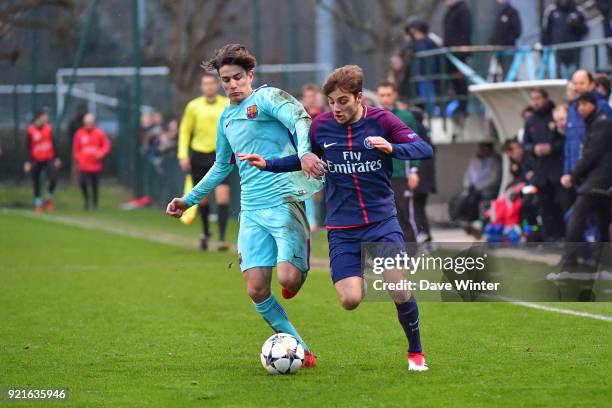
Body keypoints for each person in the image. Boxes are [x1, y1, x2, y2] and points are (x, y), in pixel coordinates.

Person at [240, 65, 434, 371]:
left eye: (342, 101)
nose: (336, 108)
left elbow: (424, 148)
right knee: (350, 300)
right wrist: (270, 164)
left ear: (358, 97)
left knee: (398, 287)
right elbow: (304, 157)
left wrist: (393, 148)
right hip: (343, 228)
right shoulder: (322, 126)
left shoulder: (382, 121)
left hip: (381, 221)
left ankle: (416, 352)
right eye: (331, 101)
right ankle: (360, 273)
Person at [166, 44, 321, 367]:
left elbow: (300, 119)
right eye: (226, 80)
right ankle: (301, 350)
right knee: (256, 289)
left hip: (283, 199)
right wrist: (188, 200)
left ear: (250, 75)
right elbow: (222, 167)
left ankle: (299, 255)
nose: (232, 84)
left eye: (237, 77)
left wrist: (305, 152)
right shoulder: (227, 117)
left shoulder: (267, 98)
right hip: (251, 211)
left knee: (288, 279)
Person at [178, 73, 231, 250]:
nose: (209, 87)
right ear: (201, 87)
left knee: (223, 196)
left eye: (211, 83)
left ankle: (222, 238)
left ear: (217, 86)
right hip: (199, 155)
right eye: (205, 83)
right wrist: (182, 155)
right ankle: (206, 231)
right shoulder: (193, 106)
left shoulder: (226, 103)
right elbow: (185, 131)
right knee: (204, 199)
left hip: (221, 156)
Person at [561, 92, 612, 266]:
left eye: (583, 104)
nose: (580, 109)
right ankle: (602, 259)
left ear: (593, 104)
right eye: (578, 106)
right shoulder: (594, 123)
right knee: (602, 219)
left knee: (576, 215)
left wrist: (574, 175)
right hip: (601, 180)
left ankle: (569, 258)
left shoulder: (602, 124)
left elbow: (592, 155)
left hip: (599, 179)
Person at [522, 88, 567, 241]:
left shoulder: (555, 116)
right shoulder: (531, 120)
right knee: (544, 206)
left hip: (557, 169)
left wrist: (551, 148)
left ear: (546, 98)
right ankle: (551, 236)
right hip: (540, 172)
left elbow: (565, 140)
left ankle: (565, 235)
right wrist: (534, 149)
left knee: (561, 203)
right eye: (533, 99)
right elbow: (525, 144)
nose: (535, 102)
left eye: (538, 98)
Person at [24, 109, 60, 213]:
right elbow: (28, 147)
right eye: (45, 116)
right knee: (36, 182)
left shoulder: (48, 128)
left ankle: (48, 198)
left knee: (53, 179)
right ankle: (38, 203)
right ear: (39, 117)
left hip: (48, 158)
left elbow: (54, 143)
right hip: (36, 159)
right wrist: (27, 162)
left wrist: (57, 158)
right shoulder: (31, 130)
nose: (46, 118)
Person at [73, 113, 111, 210]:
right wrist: (79, 159)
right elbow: (76, 149)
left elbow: (106, 145)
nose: (88, 124)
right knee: (82, 182)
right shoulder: (79, 133)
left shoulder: (99, 133)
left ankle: (95, 203)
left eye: (90, 122)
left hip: (95, 165)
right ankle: (86, 199)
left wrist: (101, 153)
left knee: (95, 184)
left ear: (93, 123)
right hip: (84, 165)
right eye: (86, 122)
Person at [541, 0, 588, 79]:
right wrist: (545, 48)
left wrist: (577, 24)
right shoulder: (551, 11)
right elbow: (545, 31)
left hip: (574, 53)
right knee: (556, 78)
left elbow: (585, 30)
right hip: (556, 53)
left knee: (574, 77)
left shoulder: (578, 11)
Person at [405, 19, 440, 116]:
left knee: (428, 96)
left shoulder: (427, 42)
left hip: (427, 74)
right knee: (424, 96)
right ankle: (430, 112)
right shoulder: (419, 43)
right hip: (421, 74)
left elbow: (432, 60)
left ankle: (433, 113)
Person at [443, 0, 472, 114]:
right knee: (454, 81)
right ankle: (458, 106)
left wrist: (463, 51)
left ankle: (463, 107)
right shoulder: (450, 12)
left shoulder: (463, 11)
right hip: (450, 54)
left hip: (459, 54)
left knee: (460, 81)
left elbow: (465, 32)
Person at [489, 0, 522, 80]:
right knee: (495, 74)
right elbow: (496, 31)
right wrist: (493, 43)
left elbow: (517, 31)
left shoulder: (512, 12)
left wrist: (506, 42)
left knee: (509, 73)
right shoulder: (497, 12)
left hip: (508, 50)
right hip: (497, 50)